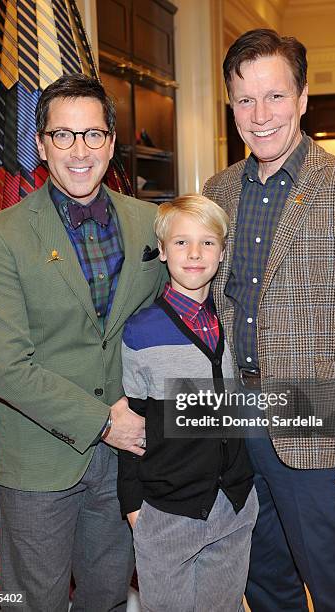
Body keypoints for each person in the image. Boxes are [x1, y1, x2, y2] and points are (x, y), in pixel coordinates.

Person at [203, 29, 335, 612]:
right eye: (244, 99)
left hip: (320, 433)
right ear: (231, 105)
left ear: (303, 97)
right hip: (237, 428)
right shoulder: (218, 192)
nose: (259, 115)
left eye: (274, 96)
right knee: (264, 583)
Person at [0, 74, 165, 612]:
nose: (79, 151)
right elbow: (6, 367)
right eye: (63, 135)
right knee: (32, 603)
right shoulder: (1, 235)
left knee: (107, 598)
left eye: (93, 134)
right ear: (42, 145)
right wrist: (105, 421)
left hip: (124, 463)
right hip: (39, 461)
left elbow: (175, 321)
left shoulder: (151, 224)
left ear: (111, 142)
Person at [117, 195, 258, 612]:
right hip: (167, 509)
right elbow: (133, 421)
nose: (194, 254)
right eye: (180, 243)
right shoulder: (142, 331)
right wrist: (132, 505)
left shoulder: (235, 322)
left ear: (221, 251)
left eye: (207, 243)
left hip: (232, 503)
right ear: (162, 251)